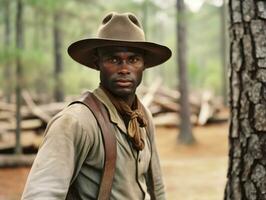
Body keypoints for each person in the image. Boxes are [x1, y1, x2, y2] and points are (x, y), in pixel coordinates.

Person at [21, 12, 171, 200]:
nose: (124, 68)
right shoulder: (76, 122)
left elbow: (156, 186)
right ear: (97, 63)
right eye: (113, 59)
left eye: (133, 59)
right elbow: (41, 194)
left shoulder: (143, 116)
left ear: (144, 65)